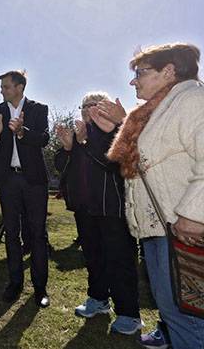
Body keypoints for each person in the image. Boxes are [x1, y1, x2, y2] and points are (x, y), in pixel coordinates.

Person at [92, 42, 204, 349]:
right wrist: (120, 124)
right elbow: (146, 157)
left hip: (183, 230)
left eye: (140, 72)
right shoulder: (157, 110)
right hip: (161, 230)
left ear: (168, 71)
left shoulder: (193, 100)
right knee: (176, 313)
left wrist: (194, 214)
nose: (133, 80)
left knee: (189, 318)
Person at [55, 92, 142, 335]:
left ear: (103, 107)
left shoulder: (114, 132)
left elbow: (111, 162)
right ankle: (98, 300)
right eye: (83, 106)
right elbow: (61, 166)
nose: (86, 110)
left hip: (111, 207)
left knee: (120, 259)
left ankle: (128, 313)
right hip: (84, 208)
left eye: (92, 105)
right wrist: (69, 147)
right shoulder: (79, 133)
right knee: (93, 257)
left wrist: (83, 143)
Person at [0, 70, 50, 307]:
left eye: (6, 86)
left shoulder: (39, 109)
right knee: (12, 233)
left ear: (19, 87)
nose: (2, 90)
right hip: (7, 180)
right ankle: (15, 283)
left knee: (38, 233)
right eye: (1, 87)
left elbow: (43, 139)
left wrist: (21, 131)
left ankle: (40, 288)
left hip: (34, 181)